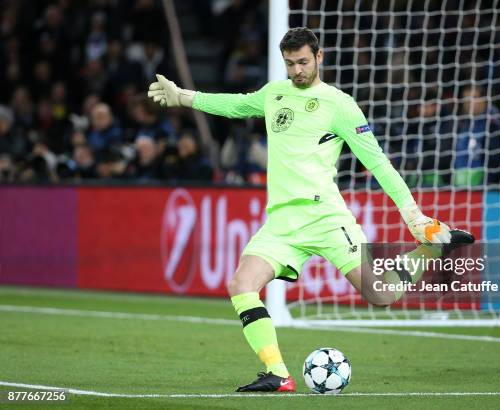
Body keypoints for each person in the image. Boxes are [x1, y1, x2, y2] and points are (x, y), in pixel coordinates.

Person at [148, 27, 463, 393]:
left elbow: (378, 164)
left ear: (319, 57)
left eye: (302, 62)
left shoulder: (339, 105)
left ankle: (433, 249)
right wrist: (183, 96)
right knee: (241, 284)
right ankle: (278, 374)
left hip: (326, 218)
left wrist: (413, 217)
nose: (296, 70)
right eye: (289, 63)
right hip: (282, 221)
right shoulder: (274, 94)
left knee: (380, 295)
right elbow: (235, 106)